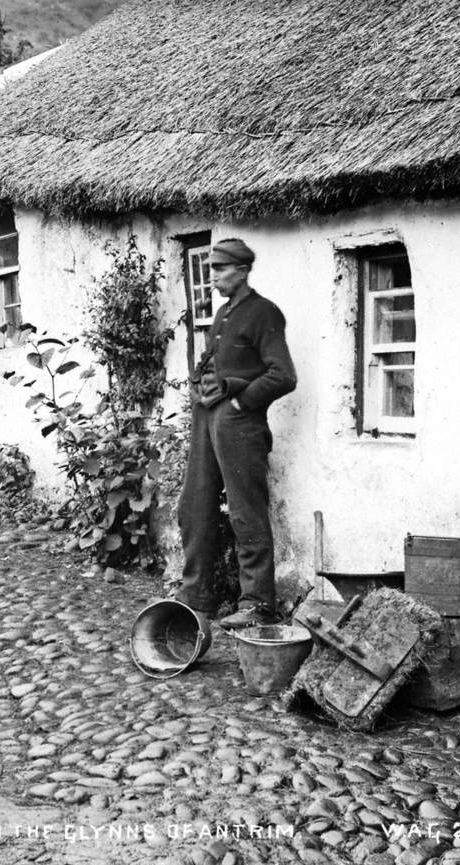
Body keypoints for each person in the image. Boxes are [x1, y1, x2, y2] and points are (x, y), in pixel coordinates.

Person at [174, 238, 296, 629]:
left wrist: (243, 402)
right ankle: (196, 597)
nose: (212, 279)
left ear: (242, 271)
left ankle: (258, 603)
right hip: (208, 419)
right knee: (194, 506)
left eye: (220, 270)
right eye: (211, 269)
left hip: (241, 425)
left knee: (246, 512)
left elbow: (283, 374)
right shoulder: (225, 313)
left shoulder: (263, 313)